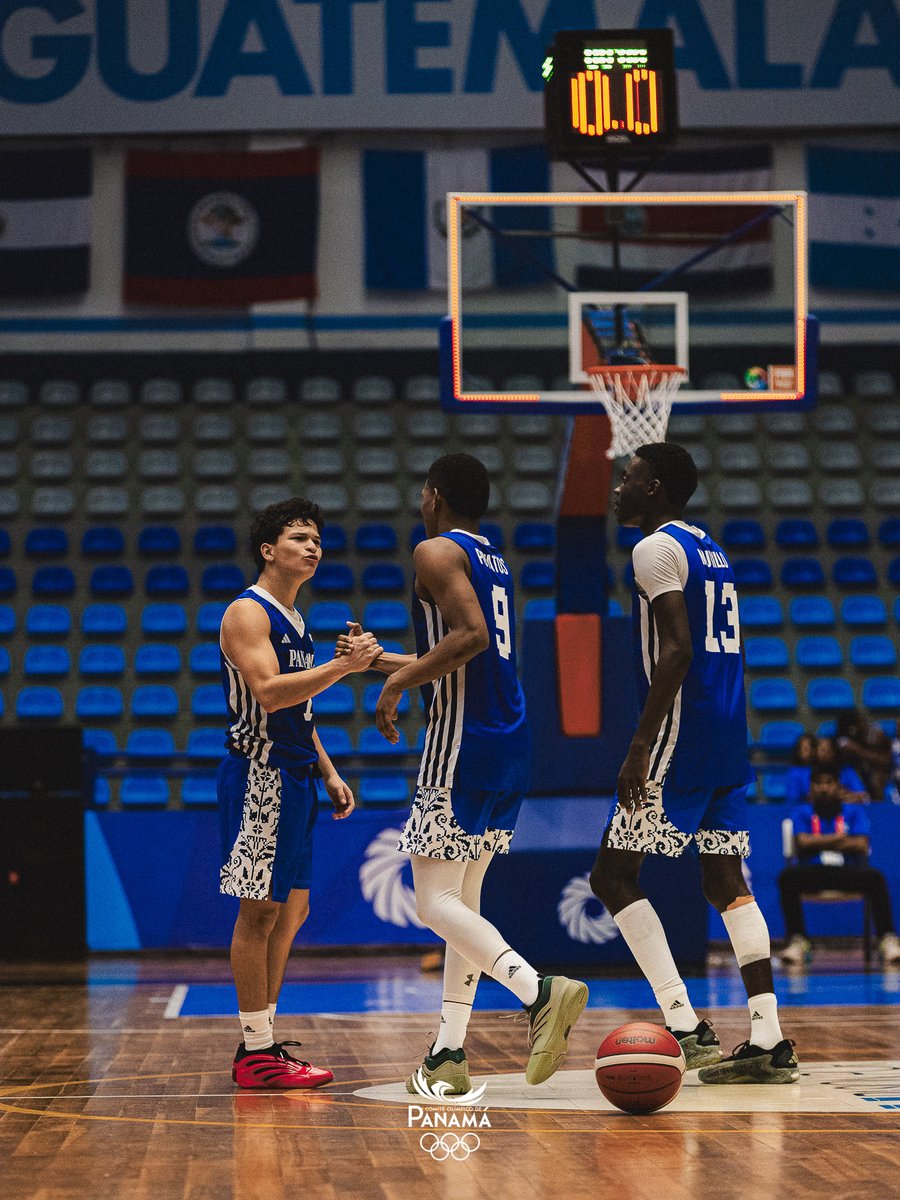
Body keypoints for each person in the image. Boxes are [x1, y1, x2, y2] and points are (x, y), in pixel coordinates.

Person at [339, 453, 587, 1094]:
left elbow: (470, 637)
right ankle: (448, 1053)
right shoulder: (492, 560)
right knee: (462, 905)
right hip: (507, 741)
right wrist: (379, 661)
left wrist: (396, 682)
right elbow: (464, 650)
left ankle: (539, 992)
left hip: (461, 742)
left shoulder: (434, 551)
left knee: (432, 903)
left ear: (435, 496)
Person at [589, 442, 799, 1085]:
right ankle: (768, 1039)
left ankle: (683, 1024)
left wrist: (639, 744)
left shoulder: (654, 548)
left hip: (680, 737)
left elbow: (677, 650)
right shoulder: (712, 550)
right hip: (728, 737)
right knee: (725, 881)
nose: (619, 487)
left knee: (612, 877)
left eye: (630, 477)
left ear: (655, 488)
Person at [217, 497, 383, 1089]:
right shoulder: (247, 612)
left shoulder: (296, 619)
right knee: (260, 910)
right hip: (260, 774)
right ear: (268, 550)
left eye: (316, 539)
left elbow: (298, 710)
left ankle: (262, 1041)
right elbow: (268, 692)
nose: (313, 547)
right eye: (298, 538)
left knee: (293, 910)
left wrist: (329, 771)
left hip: (296, 774)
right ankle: (257, 1051)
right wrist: (345, 668)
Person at [780, 765, 900, 964]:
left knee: (875, 878)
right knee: (787, 878)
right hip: (814, 871)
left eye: (829, 783)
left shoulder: (853, 812)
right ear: (811, 787)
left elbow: (861, 844)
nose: (824, 788)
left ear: (838, 786)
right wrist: (841, 838)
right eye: (818, 783)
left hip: (846, 871)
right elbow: (802, 842)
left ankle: (887, 939)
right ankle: (798, 940)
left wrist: (818, 841)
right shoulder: (802, 812)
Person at [784, 733, 868, 806]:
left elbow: (864, 797)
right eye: (820, 748)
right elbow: (792, 803)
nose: (822, 752)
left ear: (834, 751)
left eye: (826, 749)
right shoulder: (799, 773)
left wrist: (847, 797)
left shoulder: (847, 771)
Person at [835, 709, 893, 801]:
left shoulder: (870, 738)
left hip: (871, 779)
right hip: (850, 778)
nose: (865, 724)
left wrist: (859, 749)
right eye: (861, 722)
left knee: (878, 777)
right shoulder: (843, 741)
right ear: (852, 729)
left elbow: (886, 760)